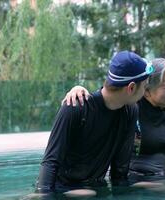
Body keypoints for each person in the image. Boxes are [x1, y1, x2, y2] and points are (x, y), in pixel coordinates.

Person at [35, 50, 153, 195]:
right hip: (62, 190)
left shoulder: (130, 111)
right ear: (131, 88)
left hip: (96, 190)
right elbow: (50, 163)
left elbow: (119, 173)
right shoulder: (76, 107)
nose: (145, 92)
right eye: (145, 86)